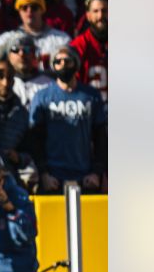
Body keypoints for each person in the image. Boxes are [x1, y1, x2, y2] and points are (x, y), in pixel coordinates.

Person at [27, 45, 106, 194]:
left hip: (86, 177)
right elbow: (35, 140)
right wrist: (43, 173)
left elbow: (101, 137)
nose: (62, 64)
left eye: (67, 61)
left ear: (76, 64)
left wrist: (97, 172)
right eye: (58, 61)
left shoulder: (91, 95)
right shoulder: (42, 96)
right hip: (53, 177)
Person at [70, 0, 107, 101]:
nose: (100, 16)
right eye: (95, 11)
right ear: (88, 15)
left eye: (104, 11)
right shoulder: (78, 45)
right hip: (88, 108)